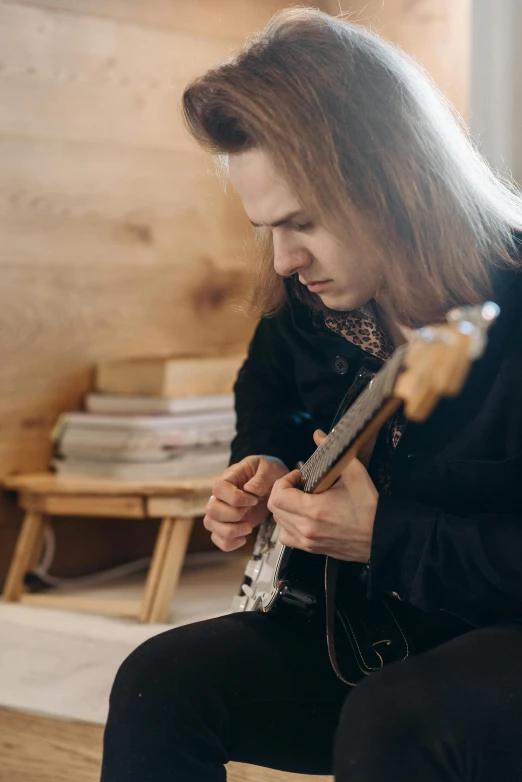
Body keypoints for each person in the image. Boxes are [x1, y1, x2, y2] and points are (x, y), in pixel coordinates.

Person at [100, 8, 522, 781]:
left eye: (303, 222)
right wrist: (259, 460)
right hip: (367, 633)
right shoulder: (314, 300)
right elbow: (267, 391)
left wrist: (385, 535)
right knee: (156, 681)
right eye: (265, 227)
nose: (286, 258)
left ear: (399, 181)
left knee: (394, 719)